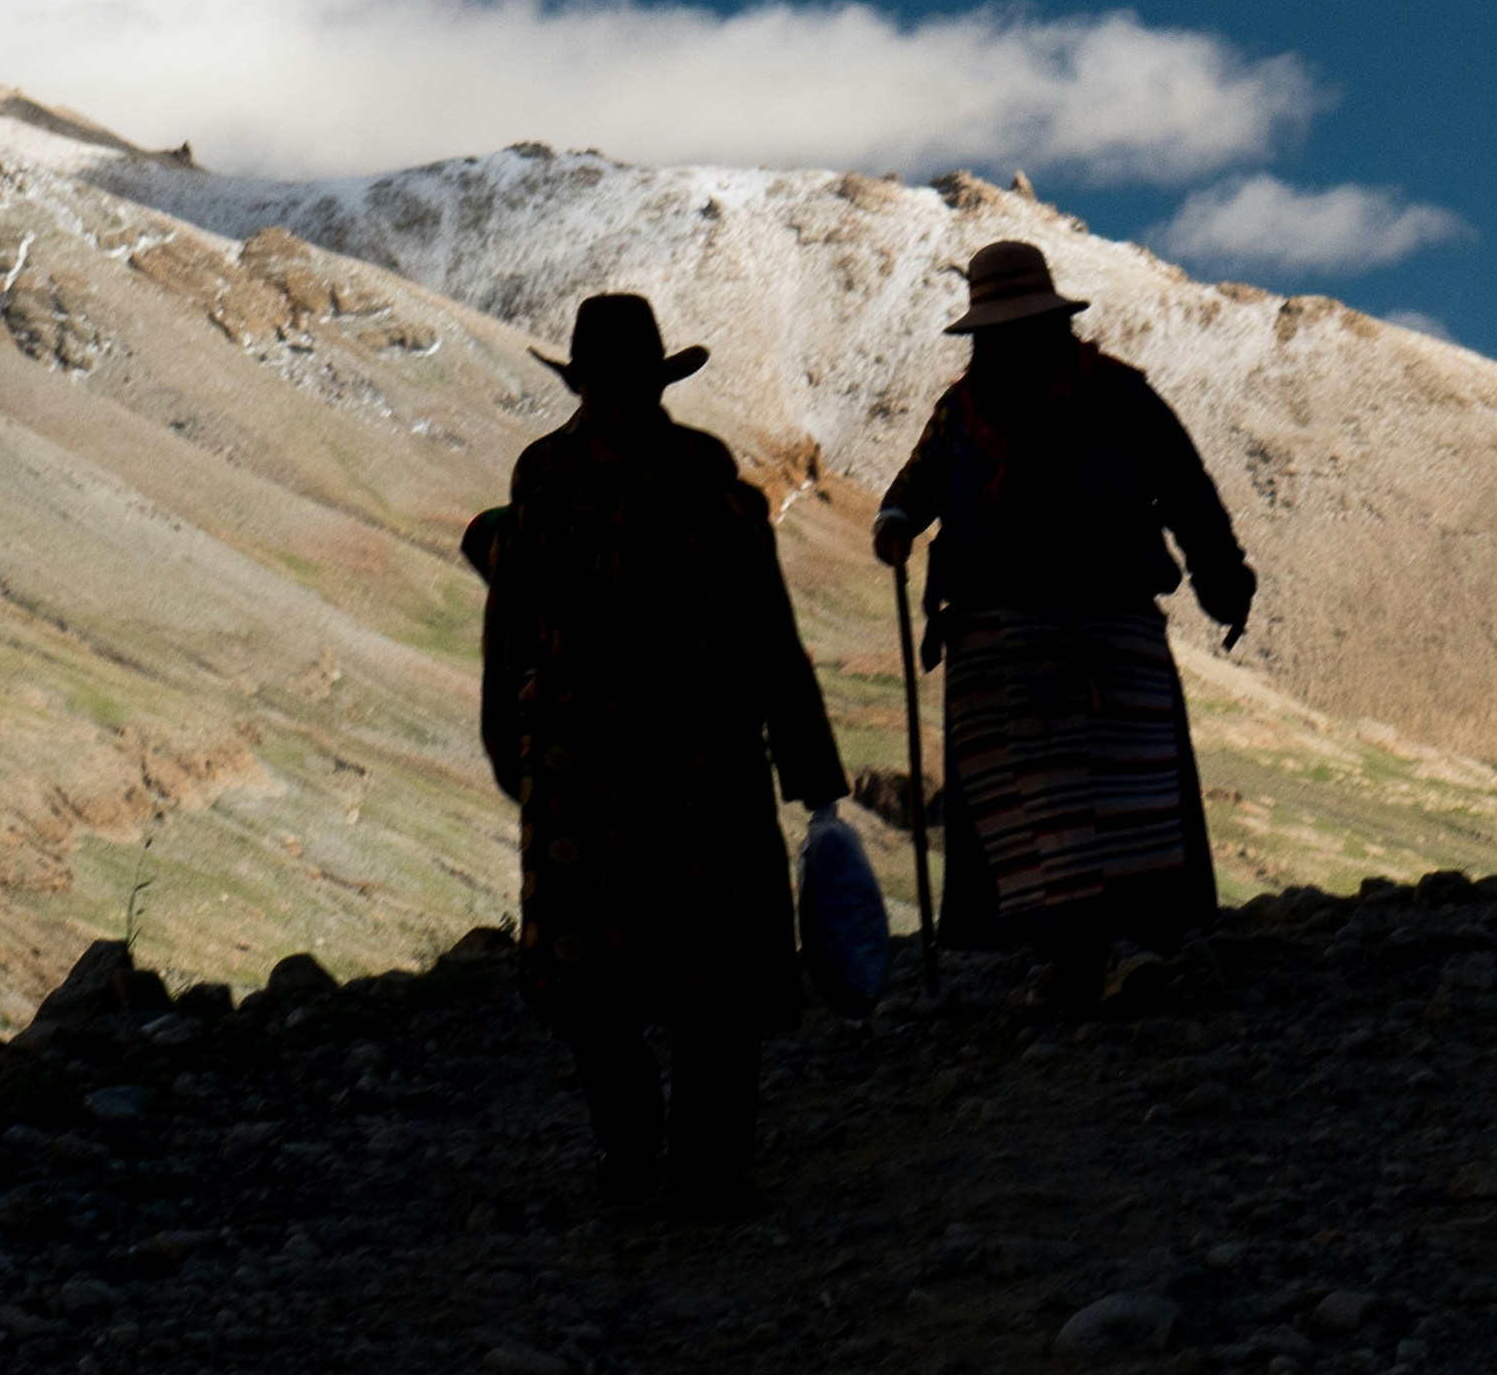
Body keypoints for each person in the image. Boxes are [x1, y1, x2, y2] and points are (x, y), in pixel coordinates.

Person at [478, 292, 848, 1210]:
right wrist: (509, 746)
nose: (618, 400)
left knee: (713, 977)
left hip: (694, 760)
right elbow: (511, 629)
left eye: (630, 385)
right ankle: (633, 1142)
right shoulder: (550, 480)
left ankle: (709, 1164)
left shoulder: (699, 476)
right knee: (585, 981)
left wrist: (810, 769)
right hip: (588, 768)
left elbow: (766, 624)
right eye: (607, 385)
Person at [872, 240, 1258, 1004]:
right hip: (989, 639)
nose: (1009, 344)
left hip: (1105, 623)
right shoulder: (959, 409)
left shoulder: (1119, 394)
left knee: (1124, 793)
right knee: (1023, 804)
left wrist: (1222, 579)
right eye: (996, 331)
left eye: (1023, 328)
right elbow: (914, 483)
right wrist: (895, 519)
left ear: (1054, 325)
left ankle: (1136, 946)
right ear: (980, 335)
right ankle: (1066, 955)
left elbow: (1186, 489)